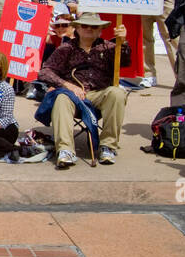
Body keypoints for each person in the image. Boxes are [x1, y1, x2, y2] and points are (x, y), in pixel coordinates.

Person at [37, 12, 130, 168]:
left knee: (118, 93)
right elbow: (44, 72)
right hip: (72, 95)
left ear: (100, 30)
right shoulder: (66, 48)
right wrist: (68, 85)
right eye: (84, 26)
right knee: (61, 99)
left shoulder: (109, 47)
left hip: (100, 93)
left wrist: (123, 41)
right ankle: (65, 150)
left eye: (93, 27)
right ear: (77, 28)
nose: (89, 29)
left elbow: (126, 62)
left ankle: (108, 146)